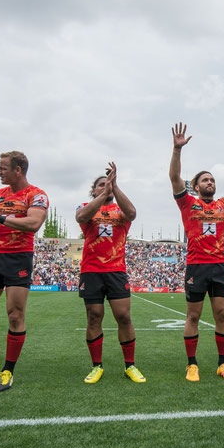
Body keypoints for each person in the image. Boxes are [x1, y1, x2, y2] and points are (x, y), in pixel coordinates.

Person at [169, 123, 224, 382]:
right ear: (195, 186)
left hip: (219, 266)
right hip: (197, 266)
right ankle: (191, 365)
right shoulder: (187, 203)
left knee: (222, 315)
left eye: (213, 179)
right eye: (205, 179)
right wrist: (177, 149)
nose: (211, 182)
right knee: (193, 315)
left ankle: (223, 365)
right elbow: (173, 177)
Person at [0, 151, 48, 392]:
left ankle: (8, 371)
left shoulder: (37, 195)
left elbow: (33, 224)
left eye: (3, 168)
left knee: (15, 315)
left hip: (18, 258)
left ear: (18, 170)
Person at [75, 162, 145, 384]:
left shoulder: (120, 211)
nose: (105, 187)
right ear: (93, 190)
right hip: (91, 271)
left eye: (108, 184)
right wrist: (104, 193)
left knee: (123, 317)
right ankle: (97, 366)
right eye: (100, 185)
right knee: (94, 316)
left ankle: (130, 366)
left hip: (116, 271)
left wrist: (115, 187)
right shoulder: (86, 206)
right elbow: (81, 217)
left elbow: (132, 213)